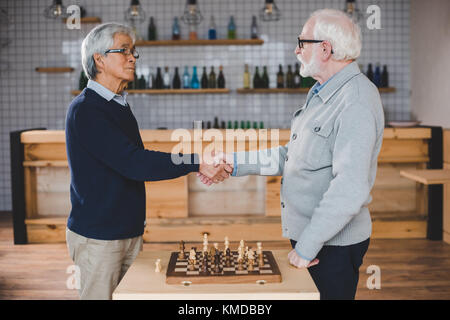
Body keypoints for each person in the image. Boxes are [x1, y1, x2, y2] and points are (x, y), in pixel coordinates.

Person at [198, 9, 384, 300]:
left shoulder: (355, 99)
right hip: (317, 238)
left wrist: (307, 247)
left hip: (329, 246)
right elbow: (292, 156)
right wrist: (233, 162)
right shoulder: (323, 93)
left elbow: (350, 188)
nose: (297, 50)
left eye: (303, 42)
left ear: (326, 48)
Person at [65, 23, 232, 300]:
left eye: (134, 51)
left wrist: (196, 162)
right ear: (99, 59)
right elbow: (134, 163)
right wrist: (197, 162)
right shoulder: (87, 110)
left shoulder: (118, 104)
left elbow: (131, 163)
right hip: (99, 237)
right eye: (124, 51)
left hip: (127, 230)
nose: (132, 57)